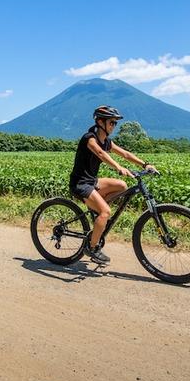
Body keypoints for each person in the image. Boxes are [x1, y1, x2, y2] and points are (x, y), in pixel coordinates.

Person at [69, 106, 158, 264]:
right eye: (112, 122)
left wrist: (145, 165)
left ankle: (98, 212)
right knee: (106, 212)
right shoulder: (90, 138)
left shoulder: (106, 141)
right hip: (80, 183)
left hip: (92, 181)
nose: (114, 126)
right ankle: (92, 247)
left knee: (122, 186)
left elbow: (125, 153)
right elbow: (101, 153)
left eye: (115, 123)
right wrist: (118, 167)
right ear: (100, 122)